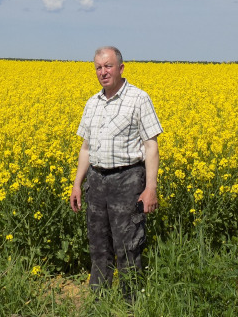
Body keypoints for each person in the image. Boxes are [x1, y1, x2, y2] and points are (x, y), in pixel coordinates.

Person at [69, 46, 163, 301]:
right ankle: (100, 301)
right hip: (96, 181)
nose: (103, 72)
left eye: (108, 66)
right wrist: (78, 183)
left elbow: (150, 145)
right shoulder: (92, 102)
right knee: (98, 244)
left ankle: (131, 302)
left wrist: (150, 187)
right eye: (99, 67)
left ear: (121, 68)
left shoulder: (138, 98)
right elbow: (86, 147)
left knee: (129, 244)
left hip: (128, 179)